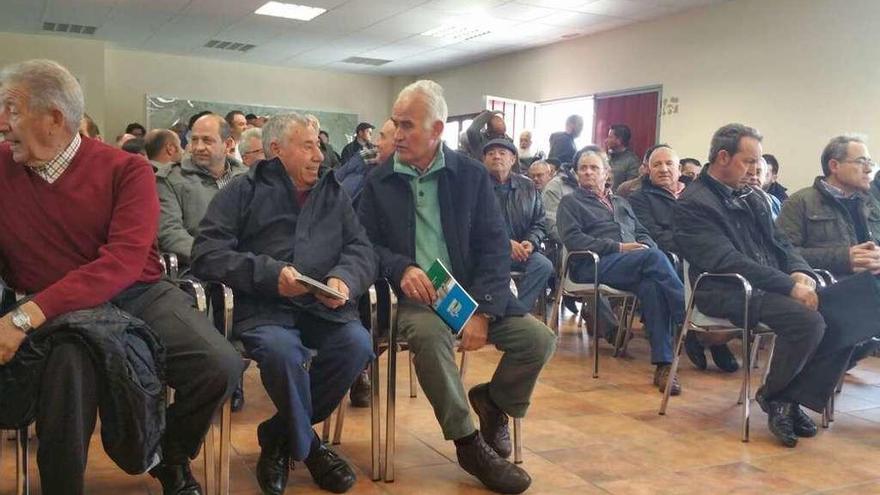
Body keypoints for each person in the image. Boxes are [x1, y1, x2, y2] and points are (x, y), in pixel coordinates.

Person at [0, 58, 241, 495]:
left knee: (219, 365)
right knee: (67, 371)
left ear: (54, 118)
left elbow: (124, 261)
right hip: (55, 307)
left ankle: (170, 456)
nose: (2, 122)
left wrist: (25, 316)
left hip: (135, 294)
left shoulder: (127, 171)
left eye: (11, 109)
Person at [358, 80, 554, 494]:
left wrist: (482, 311)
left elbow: (493, 246)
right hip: (416, 296)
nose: (397, 134)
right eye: (395, 124)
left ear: (437, 129)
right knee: (429, 337)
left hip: (468, 294)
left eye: (408, 125)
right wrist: (402, 266)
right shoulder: (379, 180)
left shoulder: (469, 175)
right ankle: (468, 443)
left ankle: (494, 403)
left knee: (538, 340)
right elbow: (364, 244)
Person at [191, 112, 376, 495]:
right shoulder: (243, 191)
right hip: (264, 307)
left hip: (321, 305)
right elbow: (206, 253)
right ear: (277, 150)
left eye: (319, 146)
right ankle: (311, 449)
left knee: (357, 344)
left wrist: (344, 277)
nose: (318, 156)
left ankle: (278, 436)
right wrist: (268, 274)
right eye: (307, 146)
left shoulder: (332, 192)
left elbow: (361, 248)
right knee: (283, 353)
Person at [674, 123, 876, 448]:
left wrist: (798, 270)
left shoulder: (753, 197)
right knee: (807, 321)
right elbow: (727, 261)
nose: (756, 170)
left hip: (766, 286)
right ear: (723, 157)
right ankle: (778, 397)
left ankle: (784, 397)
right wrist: (788, 285)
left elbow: (782, 243)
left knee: (851, 312)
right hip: (725, 290)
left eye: (757, 163)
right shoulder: (694, 203)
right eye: (749, 161)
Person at [557, 147, 684, 395]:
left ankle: (664, 365)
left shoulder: (621, 202)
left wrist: (647, 247)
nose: (588, 173)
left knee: (653, 287)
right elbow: (574, 240)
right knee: (653, 259)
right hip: (592, 265)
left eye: (594, 168)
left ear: (606, 173)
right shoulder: (570, 203)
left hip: (630, 264)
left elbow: (642, 232)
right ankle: (686, 313)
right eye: (583, 168)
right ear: (576, 174)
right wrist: (619, 247)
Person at [629, 145, 738, 373]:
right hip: (674, 257)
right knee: (661, 277)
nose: (663, 169)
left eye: (669, 164)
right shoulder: (640, 198)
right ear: (648, 171)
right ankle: (697, 333)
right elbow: (654, 234)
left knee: (728, 275)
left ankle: (714, 340)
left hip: (706, 255)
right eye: (656, 165)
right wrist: (694, 247)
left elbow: (715, 227)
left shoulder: (698, 193)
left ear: (679, 169)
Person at [777, 135, 880, 364]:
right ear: (834, 165)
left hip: (869, 284)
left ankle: (844, 357)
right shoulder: (801, 202)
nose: (869, 169)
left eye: (871, 163)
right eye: (862, 161)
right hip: (831, 284)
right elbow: (784, 253)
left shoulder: (871, 204)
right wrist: (844, 257)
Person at [156, 113, 248, 267]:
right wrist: (216, 257)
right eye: (194, 140)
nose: (198, 147)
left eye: (207, 140)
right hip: (200, 267)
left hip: (248, 265)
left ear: (228, 144)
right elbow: (170, 233)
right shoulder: (170, 179)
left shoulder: (248, 178)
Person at [482, 138, 553, 310]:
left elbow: (539, 222)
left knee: (544, 265)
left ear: (513, 159)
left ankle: (516, 312)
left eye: (502, 153)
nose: (496, 157)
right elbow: (471, 227)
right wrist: (504, 244)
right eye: (491, 154)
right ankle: (506, 313)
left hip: (522, 251)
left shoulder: (528, 187)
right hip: (488, 252)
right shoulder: (477, 186)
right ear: (484, 161)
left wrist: (531, 242)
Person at [336, 118, 395, 206]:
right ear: (360, 133)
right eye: (369, 132)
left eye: (383, 137)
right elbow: (340, 175)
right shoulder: (359, 153)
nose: (377, 143)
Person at [605, 124, 640, 190]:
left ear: (619, 140)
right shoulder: (607, 157)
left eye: (610, 137)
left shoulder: (632, 162)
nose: (606, 140)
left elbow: (631, 189)